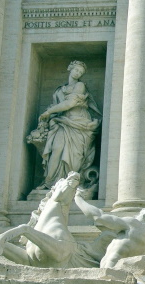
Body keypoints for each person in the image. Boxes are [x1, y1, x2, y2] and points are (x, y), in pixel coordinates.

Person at [29, 61, 101, 189]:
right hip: (62, 122)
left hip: (79, 123)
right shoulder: (60, 89)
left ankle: (69, 185)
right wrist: (50, 115)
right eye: (76, 70)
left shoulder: (80, 86)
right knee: (56, 149)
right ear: (70, 69)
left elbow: (69, 104)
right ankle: (49, 182)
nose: (78, 73)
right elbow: (58, 105)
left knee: (74, 155)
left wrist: (49, 111)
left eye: (80, 72)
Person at [73, 189, 145, 268]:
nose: (136, 216)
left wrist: (78, 198)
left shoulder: (135, 224)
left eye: (139, 215)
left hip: (110, 269)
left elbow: (99, 216)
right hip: (116, 271)